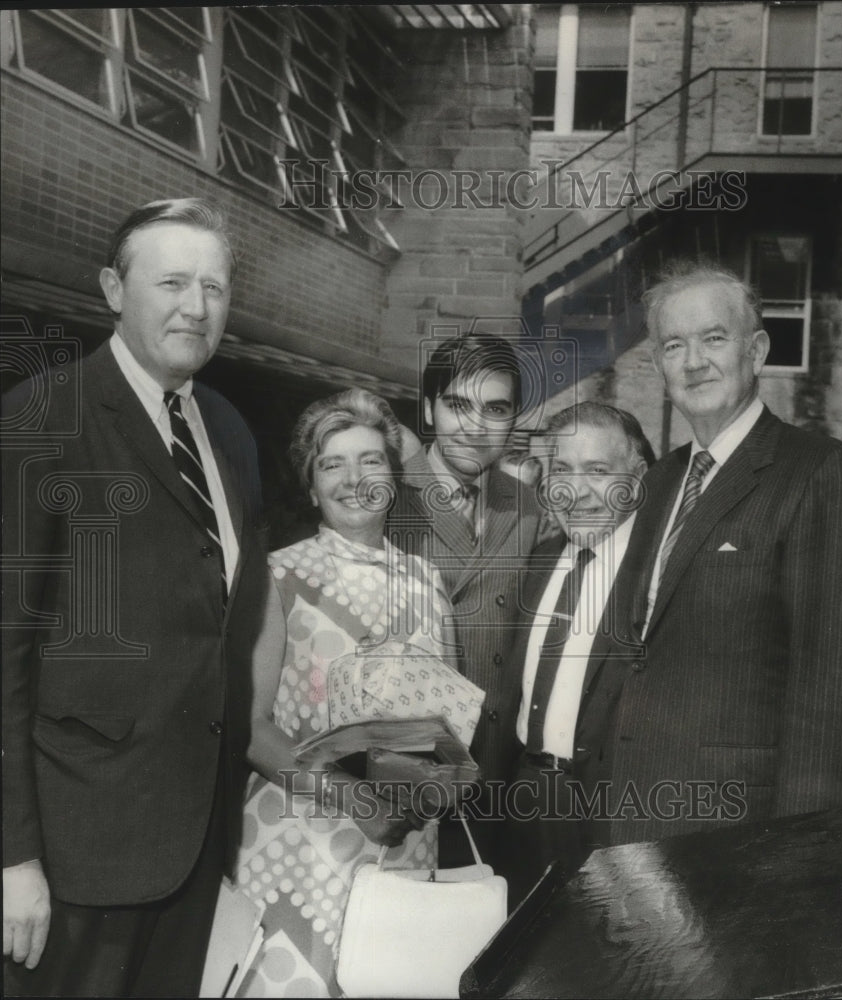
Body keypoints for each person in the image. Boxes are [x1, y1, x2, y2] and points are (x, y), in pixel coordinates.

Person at [1, 199, 269, 996]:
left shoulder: (229, 430)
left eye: (214, 287)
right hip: (72, 856)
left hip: (193, 850)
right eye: (173, 282)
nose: (196, 307)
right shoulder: (39, 421)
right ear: (113, 289)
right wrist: (13, 857)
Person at [579, 262, 842, 847]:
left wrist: (796, 856)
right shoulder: (659, 482)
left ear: (756, 350)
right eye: (673, 346)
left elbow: (834, 686)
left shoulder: (822, 474)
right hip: (634, 825)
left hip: (742, 836)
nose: (693, 361)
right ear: (658, 365)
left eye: (714, 338)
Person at [233, 388, 458, 998]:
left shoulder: (427, 581)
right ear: (311, 488)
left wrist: (432, 785)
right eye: (332, 463)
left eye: (371, 460)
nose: (353, 478)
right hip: (299, 845)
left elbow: (448, 730)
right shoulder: (278, 576)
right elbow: (252, 730)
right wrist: (358, 801)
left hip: (403, 845)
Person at [388, 333, 542, 859]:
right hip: (407, 787)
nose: (476, 427)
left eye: (495, 408)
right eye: (458, 406)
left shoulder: (527, 508)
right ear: (429, 411)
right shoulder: (387, 498)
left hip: (498, 784)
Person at [500, 402, 653, 903]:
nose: (577, 490)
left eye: (598, 470)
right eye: (562, 469)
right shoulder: (540, 560)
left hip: (612, 814)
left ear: (636, 477)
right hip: (522, 800)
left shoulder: (659, 574)